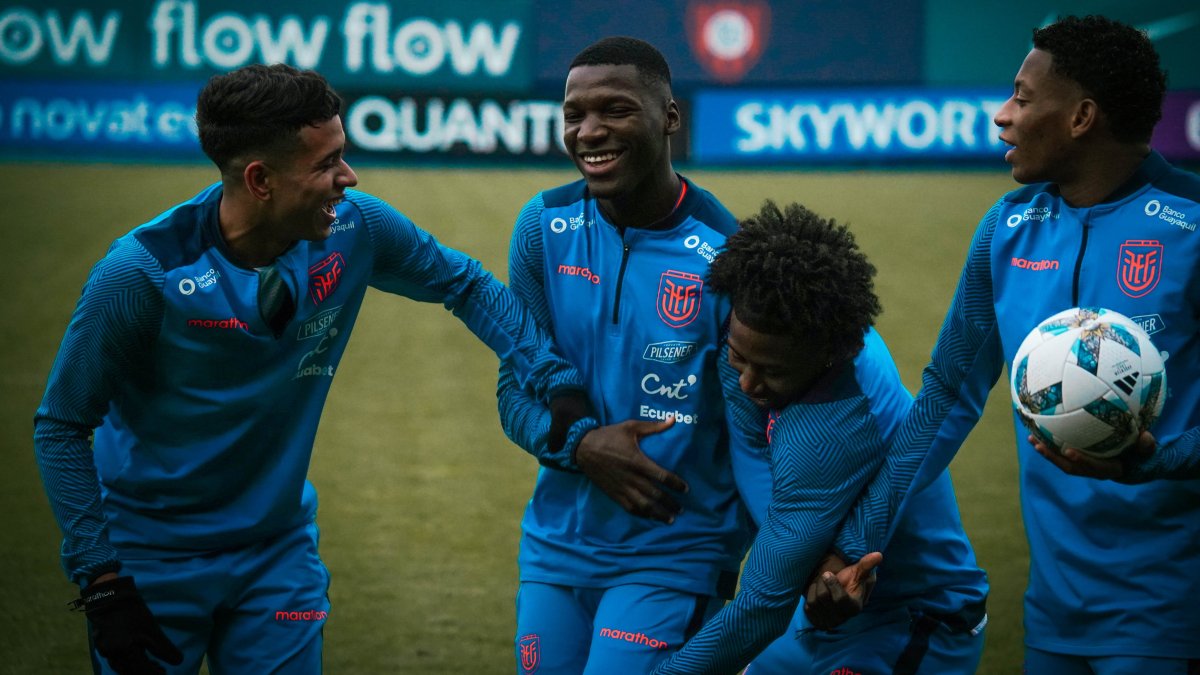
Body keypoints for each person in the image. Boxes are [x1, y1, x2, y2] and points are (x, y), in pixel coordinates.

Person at [33, 63, 587, 674]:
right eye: (327, 164)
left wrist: (553, 378)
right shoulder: (143, 274)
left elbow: (466, 283)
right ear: (260, 180)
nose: (348, 177)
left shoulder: (356, 227)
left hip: (278, 552)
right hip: (149, 562)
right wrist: (101, 579)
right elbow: (62, 425)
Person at [833, 15, 1200, 674]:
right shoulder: (1006, 227)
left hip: (1174, 610)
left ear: (1082, 117)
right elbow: (947, 394)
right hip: (1055, 612)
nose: (1002, 116)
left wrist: (1159, 460)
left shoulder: (1192, 227)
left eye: (1023, 99)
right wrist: (855, 539)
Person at [492, 36, 771, 674]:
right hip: (555, 549)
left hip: (677, 552)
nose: (589, 132)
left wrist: (798, 552)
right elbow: (515, 391)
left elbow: (753, 434)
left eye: (615, 110)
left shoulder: (728, 254)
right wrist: (582, 446)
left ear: (669, 117)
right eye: (574, 115)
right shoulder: (541, 226)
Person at [649, 201, 988, 675]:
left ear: (826, 355)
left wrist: (798, 557)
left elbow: (758, 610)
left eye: (771, 372)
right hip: (807, 614)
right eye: (738, 358)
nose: (747, 383)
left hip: (908, 619)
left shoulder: (832, 428)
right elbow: (750, 447)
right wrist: (801, 560)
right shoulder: (767, 330)